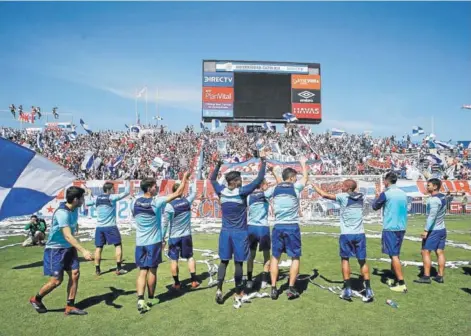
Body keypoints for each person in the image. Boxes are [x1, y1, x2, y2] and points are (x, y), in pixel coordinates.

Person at [210, 152, 267, 305]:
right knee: (238, 264)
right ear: (234, 182)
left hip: (225, 232)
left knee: (223, 262)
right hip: (240, 233)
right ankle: (237, 293)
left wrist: (217, 165)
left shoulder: (220, 191)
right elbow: (259, 179)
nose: (242, 182)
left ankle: (219, 289)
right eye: (240, 180)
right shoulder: (241, 192)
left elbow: (212, 179)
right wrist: (264, 161)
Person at [29, 186, 93, 315]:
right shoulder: (62, 213)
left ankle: (70, 306)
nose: (83, 200)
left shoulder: (74, 208)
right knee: (56, 281)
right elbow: (68, 236)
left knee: (75, 274)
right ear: (75, 199)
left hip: (68, 248)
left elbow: (71, 228)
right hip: (55, 249)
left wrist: (87, 191)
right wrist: (84, 251)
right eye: (82, 198)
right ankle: (36, 299)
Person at [132, 173, 189, 314]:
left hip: (140, 242)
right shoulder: (155, 202)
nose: (157, 188)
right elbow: (178, 192)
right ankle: (151, 298)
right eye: (155, 186)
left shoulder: (134, 202)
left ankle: (140, 299)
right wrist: (185, 178)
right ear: (149, 189)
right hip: (153, 242)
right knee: (152, 271)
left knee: (142, 272)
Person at [312, 179, 374, 302]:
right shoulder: (361, 196)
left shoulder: (343, 197)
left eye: (343, 185)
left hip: (347, 234)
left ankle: (348, 288)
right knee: (362, 261)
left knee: (345, 260)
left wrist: (313, 184)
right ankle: (368, 289)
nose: (341, 187)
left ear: (348, 187)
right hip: (360, 233)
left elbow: (324, 195)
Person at [266, 157, 309, 300]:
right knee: (295, 257)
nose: (296, 180)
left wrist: (274, 173)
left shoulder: (275, 188)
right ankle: (290, 288)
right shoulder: (295, 187)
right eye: (295, 178)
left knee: (275, 257)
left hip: (278, 226)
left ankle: (273, 288)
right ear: (291, 178)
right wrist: (303, 164)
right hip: (292, 226)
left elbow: (278, 184)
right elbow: (305, 179)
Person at [372, 172, 408, 293]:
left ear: (387, 181)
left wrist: (377, 196)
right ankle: (395, 278)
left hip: (390, 227)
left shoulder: (386, 194)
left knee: (393, 255)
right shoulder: (403, 193)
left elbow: (375, 206)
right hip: (401, 227)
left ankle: (402, 283)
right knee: (395, 254)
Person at [85, 181, 130, 276]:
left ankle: (97, 270)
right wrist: (128, 182)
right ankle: (119, 268)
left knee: (98, 248)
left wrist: (89, 194)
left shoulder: (97, 198)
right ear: (109, 190)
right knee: (118, 245)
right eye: (113, 189)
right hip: (111, 226)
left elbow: (88, 203)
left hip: (99, 227)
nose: (114, 190)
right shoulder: (111, 197)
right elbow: (126, 192)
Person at [162, 179, 200, 290]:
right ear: (181, 191)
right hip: (186, 235)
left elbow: (164, 224)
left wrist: (162, 238)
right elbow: (193, 193)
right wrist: (191, 181)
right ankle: (194, 281)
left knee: (174, 260)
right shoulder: (187, 201)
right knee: (190, 257)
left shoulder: (169, 206)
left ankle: (177, 283)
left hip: (174, 236)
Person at [414, 178, 447, 284]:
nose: (427, 187)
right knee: (439, 252)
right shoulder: (443, 197)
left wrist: (425, 230)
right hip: (442, 228)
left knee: (425, 251)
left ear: (435, 187)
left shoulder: (433, 200)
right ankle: (440, 275)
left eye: (429, 185)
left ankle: (426, 276)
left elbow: (432, 216)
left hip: (434, 230)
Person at [246, 177, 272, 291]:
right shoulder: (266, 194)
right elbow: (279, 185)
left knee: (251, 256)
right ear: (262, 185)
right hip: (263, 228)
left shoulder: (248, 197)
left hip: (251, 227)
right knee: (266, 255)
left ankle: (249, 280)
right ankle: (264, 281)